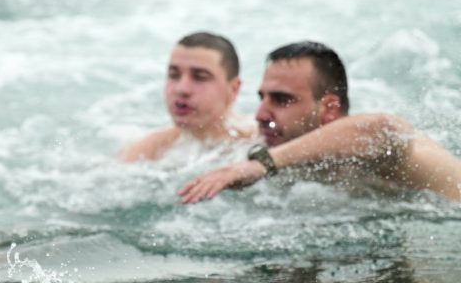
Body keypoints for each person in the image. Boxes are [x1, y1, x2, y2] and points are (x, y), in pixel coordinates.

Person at [179, 41, 461, 203]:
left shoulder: (375, 152)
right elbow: (203, 134)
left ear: (329, 108)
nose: (261, 114)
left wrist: (262, 164)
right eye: (262, 98)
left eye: (282, 100)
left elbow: (385, 128)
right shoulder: (280, 139)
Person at [118, 32, 253, 162]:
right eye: (174, 75)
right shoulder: (144, 152)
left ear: (234, 89)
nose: (182, 89)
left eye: (200, 77)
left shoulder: (255, 141)